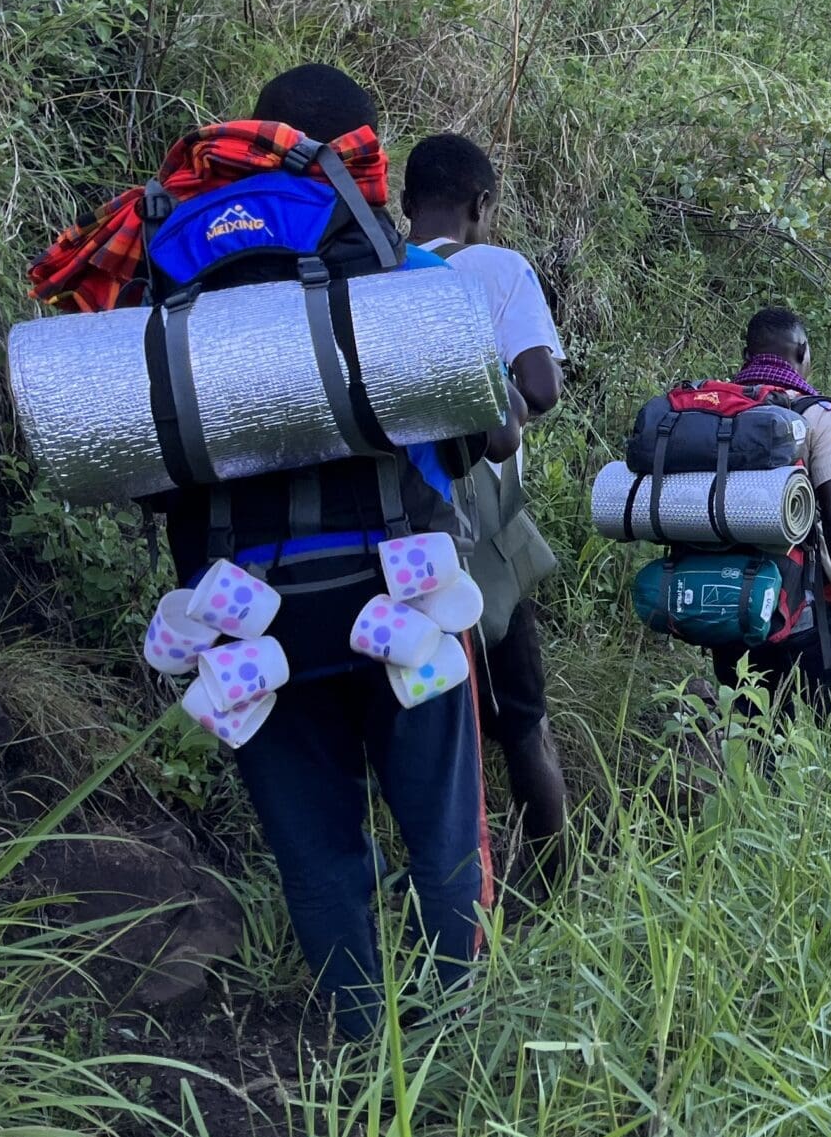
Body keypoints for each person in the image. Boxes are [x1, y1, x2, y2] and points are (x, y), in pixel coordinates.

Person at [29, 63, 492, 1040]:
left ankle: (368, 1056)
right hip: (402, 591)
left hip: (245, 611)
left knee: (315, 852)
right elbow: (482, 431)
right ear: (355, 163)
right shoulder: (400, 268)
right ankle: (462, 1048)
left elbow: (140, 469)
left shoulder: (164, 289)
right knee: (443, 838)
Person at [400, 134, 569, 895]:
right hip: (476, 537)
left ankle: (439, 889)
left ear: (404, 204)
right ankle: (552, 881)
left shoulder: (368, 272)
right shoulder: (498, 269)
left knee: (426, 718)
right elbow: (540, 388)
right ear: (480, 206)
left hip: (387, 536)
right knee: (522, 716)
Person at [712, 307, 831, 719]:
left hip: (729, 608)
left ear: (746, 353)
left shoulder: (713, 411)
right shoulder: (817, 414)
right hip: (807, 618)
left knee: (756, 745)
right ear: (802, 351)